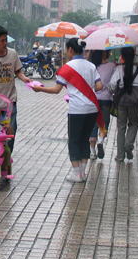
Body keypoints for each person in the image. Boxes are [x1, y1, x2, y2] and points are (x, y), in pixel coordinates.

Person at [32, 38, 104, 182]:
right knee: (84, 140)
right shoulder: (91, 66)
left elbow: (56, 90)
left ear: (70, 49)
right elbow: (99, 86)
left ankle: (76, 174)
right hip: (92, 108)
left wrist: (39, 89)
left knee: (74, 141)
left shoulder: (67, 67)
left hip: (77, 109)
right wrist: (86, 91)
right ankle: (82, 173)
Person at [108, 47, 138, 162]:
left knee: (121, 127)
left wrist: (114, 92)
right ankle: (128, 145)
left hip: (122, 102)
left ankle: (120, 155)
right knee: (133, 124)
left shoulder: (119, 69)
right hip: (135, 103)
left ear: (122, 57)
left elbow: (112, 85)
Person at [89, 49, 115, 160]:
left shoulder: (91, 66)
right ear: (105, 53)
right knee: (104, 122)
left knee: (93, 124)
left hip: (93, 98)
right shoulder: (112, 66)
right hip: (106, 98)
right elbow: (114, 83)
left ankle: (92, 151)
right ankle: (101, 141)